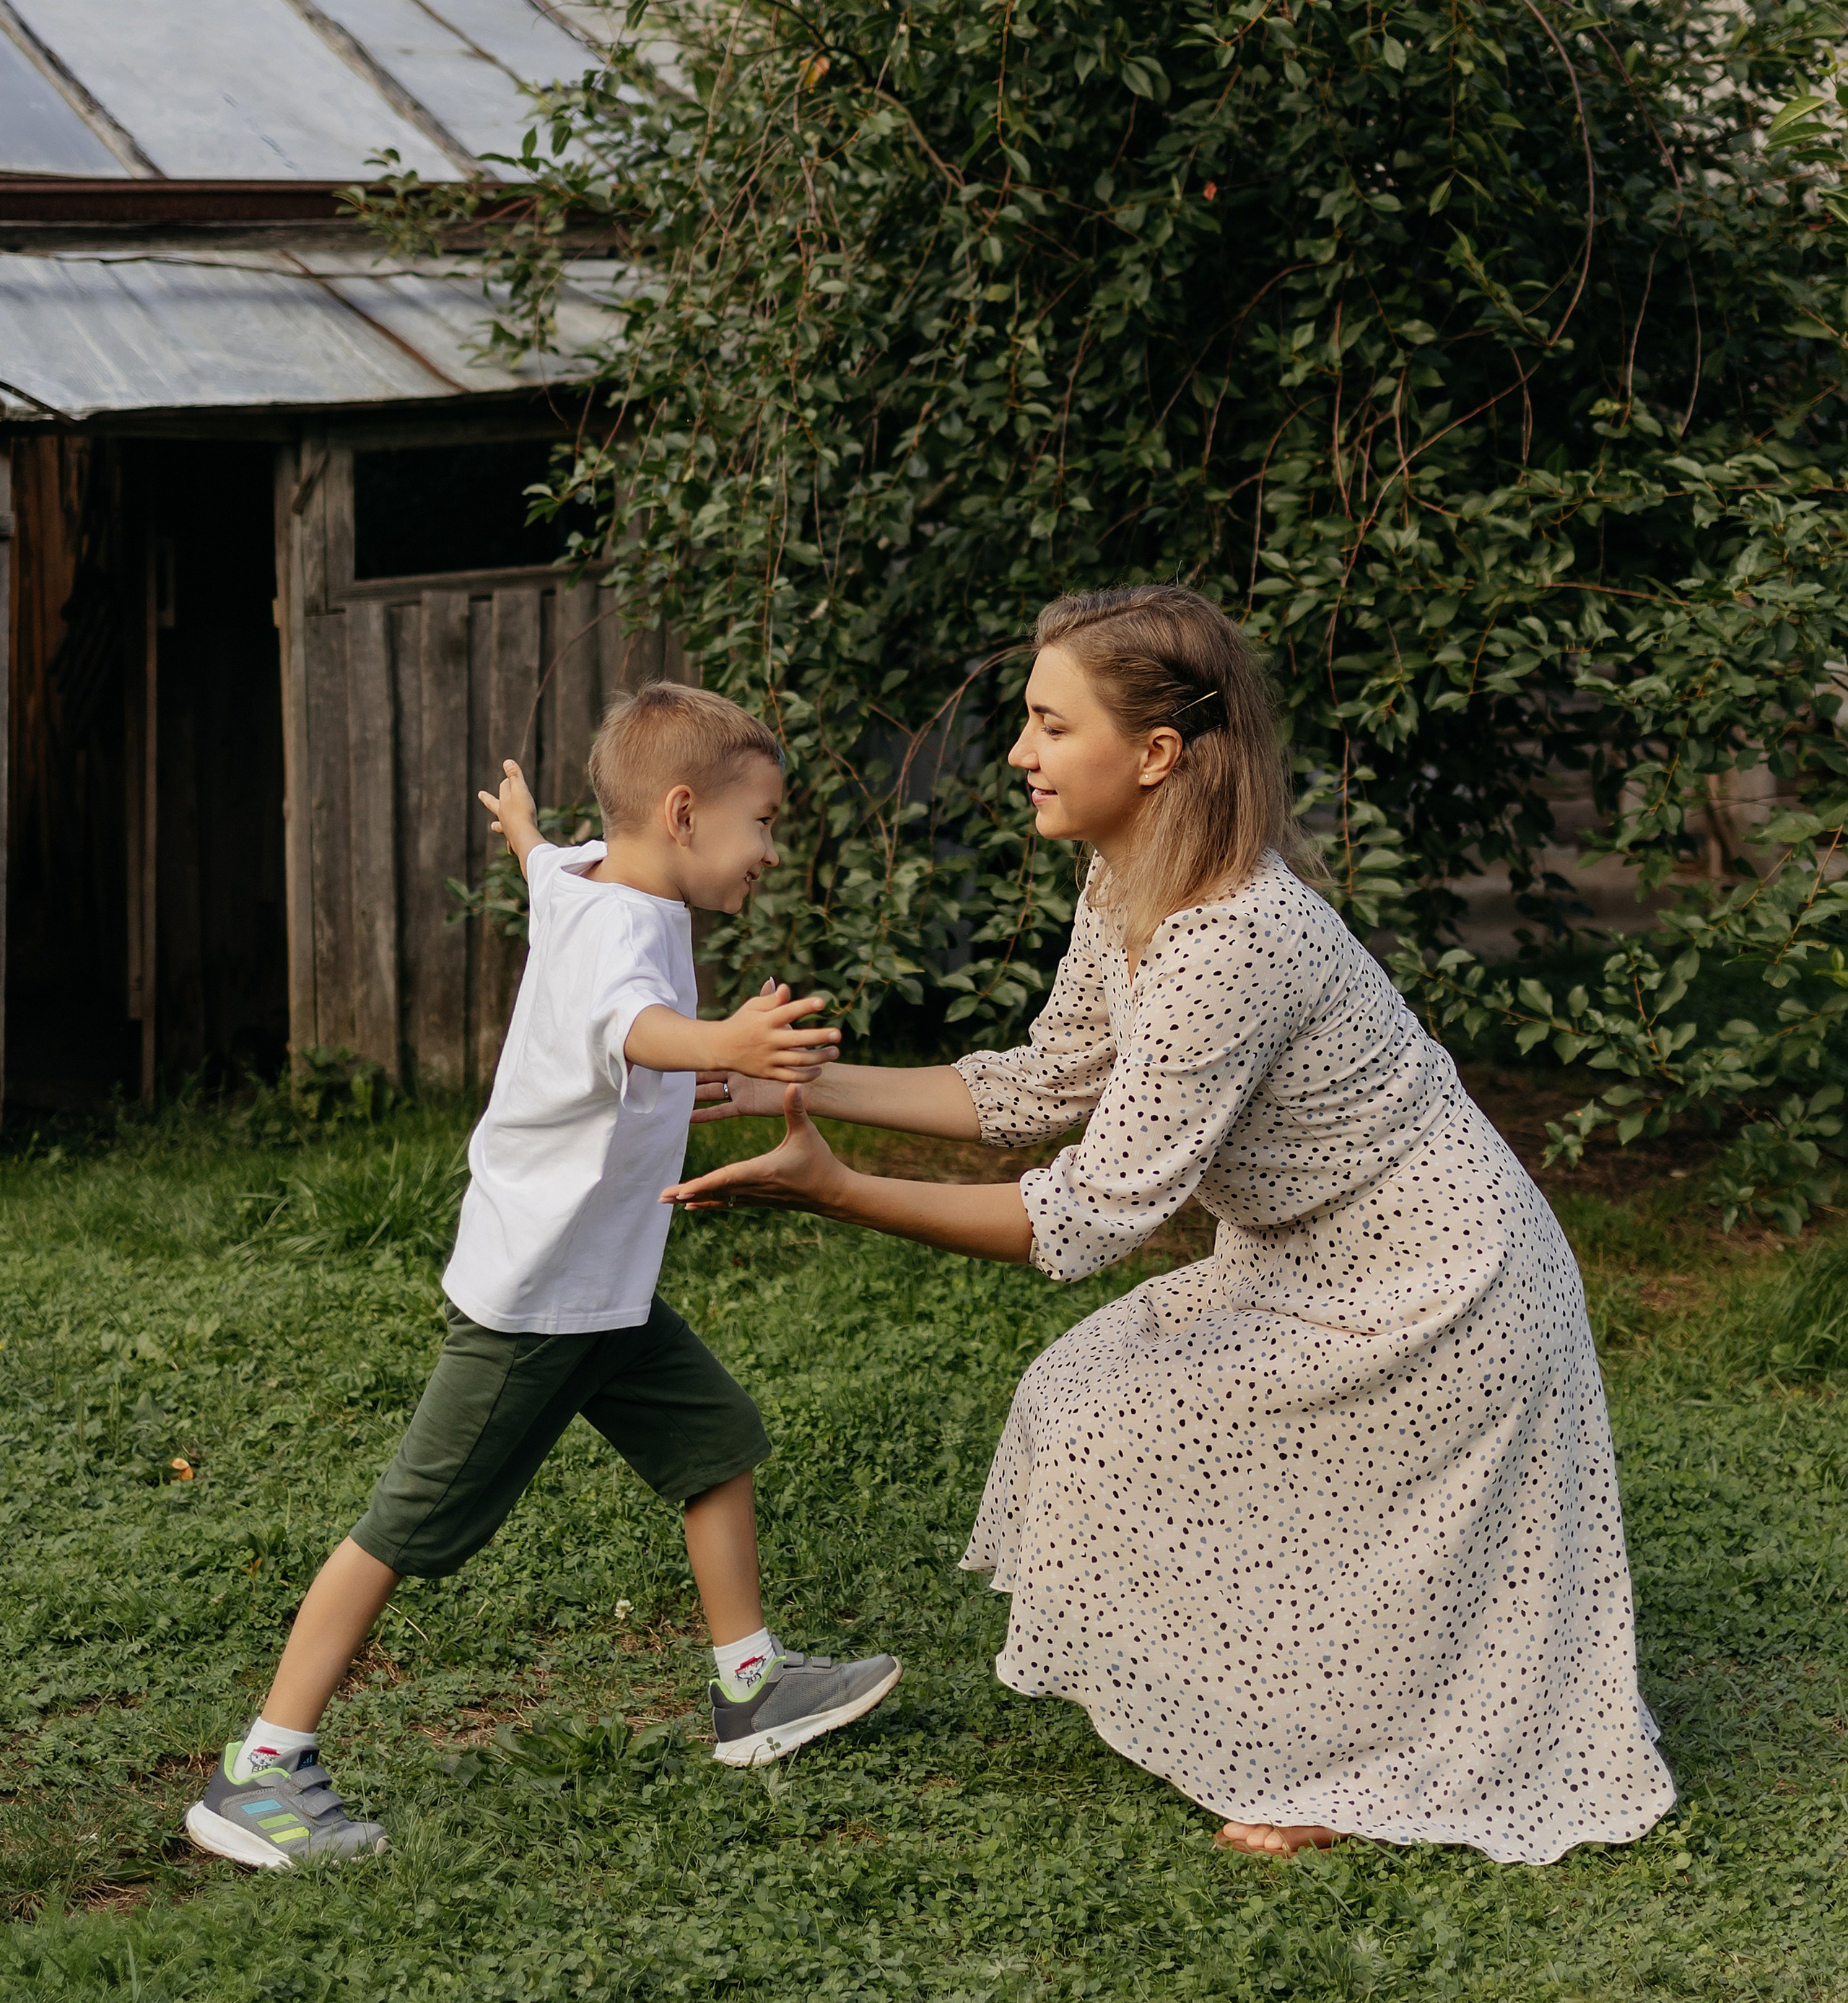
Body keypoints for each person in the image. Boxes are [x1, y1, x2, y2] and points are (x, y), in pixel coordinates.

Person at [669, 588, 1677, 1867]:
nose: (1021, 754)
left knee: (1190, 1452)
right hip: (1302, 1260)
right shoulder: (1126, 877)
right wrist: (794, 1083)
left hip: (1442, 1290)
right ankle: (1301, 1725)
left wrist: (836, 1188)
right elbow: (1048, 1083)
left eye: (1049, 724)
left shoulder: (1229, 940)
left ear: (1155, 757)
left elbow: (1090, 1218)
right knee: (1086, 1405)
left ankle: (1343, 1775)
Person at [186, 683, 901, 1872]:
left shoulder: (595, 882)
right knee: (403, 1525)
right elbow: (630, 1025)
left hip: (605, 1284)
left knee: (715, 1440)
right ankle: (259, 1772)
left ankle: (753, 1687)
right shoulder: (621, 933)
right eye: (764, 824)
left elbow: (550, 871)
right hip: (540, 1301)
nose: (772, 852)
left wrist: (524, 831)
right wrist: (722, 1043)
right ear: (682, 812)